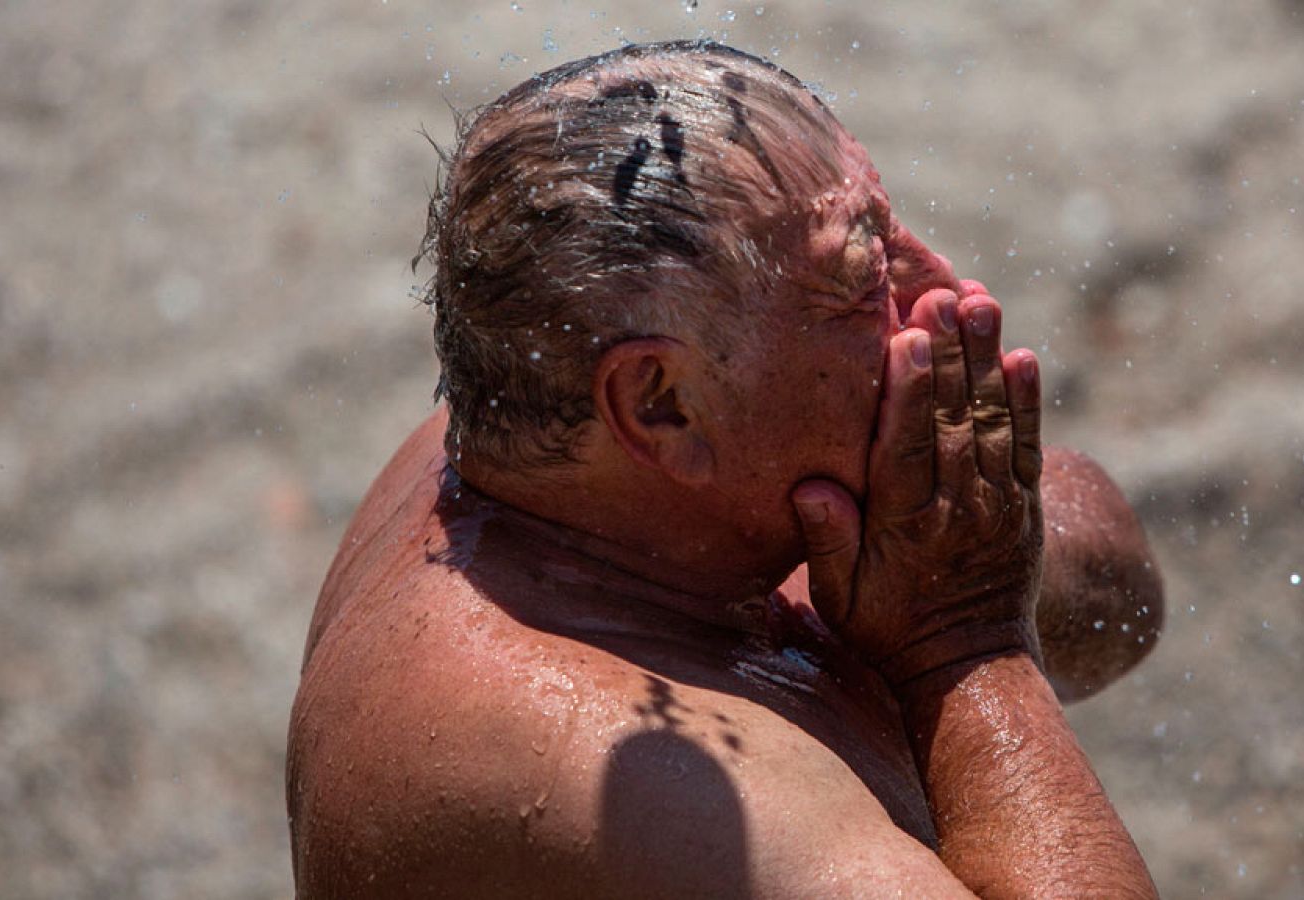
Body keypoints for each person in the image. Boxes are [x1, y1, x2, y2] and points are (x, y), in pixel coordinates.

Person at [288, 41, 1163, 898]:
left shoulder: (584, 470)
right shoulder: (636, 774)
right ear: (661, 403)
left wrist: (975, 571)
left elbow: (1116, 586)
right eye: (864, 278)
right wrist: (965, 646)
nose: (946, 293)